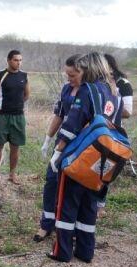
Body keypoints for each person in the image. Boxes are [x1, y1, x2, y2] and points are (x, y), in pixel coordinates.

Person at [47, 52, 123, 263]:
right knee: (89, 204)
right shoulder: (115, 93)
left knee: (67, 202)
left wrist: (58, 151)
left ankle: (61, 252)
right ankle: (85, 251)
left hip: (81, 155)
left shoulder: (88, 90)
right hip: (104, 157)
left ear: (90, 68)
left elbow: (73, 123)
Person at [34, 54, 83, 242]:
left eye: (73, 75)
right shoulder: (66, 89)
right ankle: (46, 224)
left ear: (83, 71)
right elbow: (59, 115)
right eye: (67, 75)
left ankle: (70, 228)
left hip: (81, 145)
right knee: (51, 182)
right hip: (61, 142)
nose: (69, 79)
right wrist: (48, 139)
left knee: (73, 186)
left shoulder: (89, 91)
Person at [0, 50, 30, 184]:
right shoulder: (0, 75)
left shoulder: (24, 76)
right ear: (9, 60)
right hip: (1, 116)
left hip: (18, 117)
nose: (19, 63)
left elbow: (27, 95)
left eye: (20, 60)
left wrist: (17, 104)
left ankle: (12, 175)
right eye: (16, 60)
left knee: (15, 146)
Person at [96, 53, 134, 217]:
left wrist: (111, 108)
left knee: (106, 167)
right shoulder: (97, 82)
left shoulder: (123, 84)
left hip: (113, 132)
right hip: (97, 131)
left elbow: (128, 112)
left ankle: (100, 205)